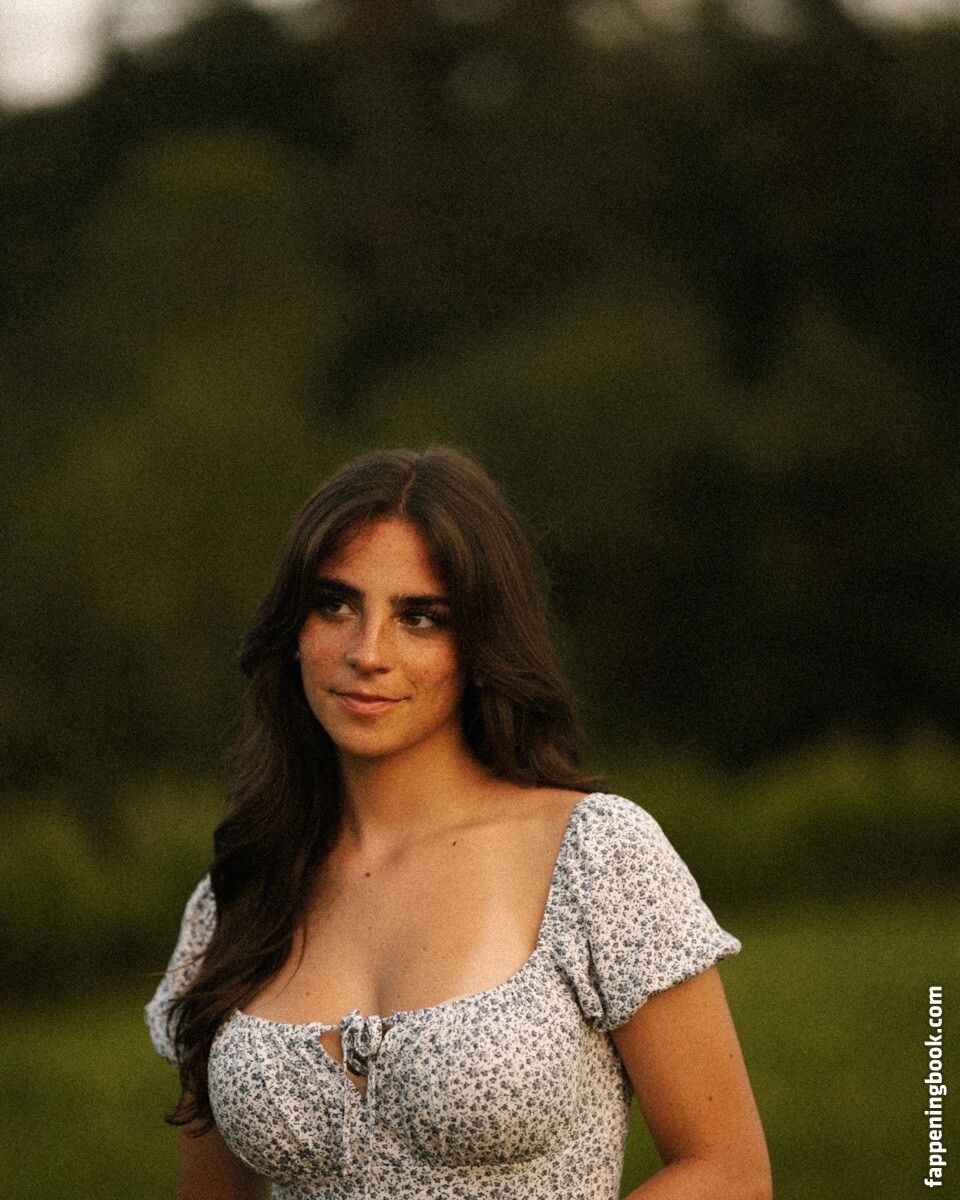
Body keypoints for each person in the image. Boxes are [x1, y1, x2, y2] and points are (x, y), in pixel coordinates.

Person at [146, 444, 772, 1200]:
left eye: (419, 617)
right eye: (335, 604)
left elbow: (727, 1171)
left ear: (479, 645)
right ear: (294, 627)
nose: (367, 652)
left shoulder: (595, 854)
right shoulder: (239, 894)